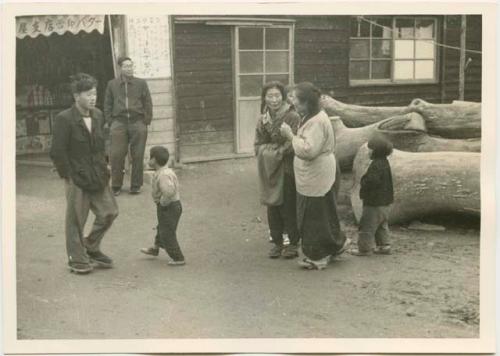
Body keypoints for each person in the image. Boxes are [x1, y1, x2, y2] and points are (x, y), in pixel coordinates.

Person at [50, 73, 119, 274]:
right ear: (76, 96)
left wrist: (105, 165)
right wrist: (68, 176)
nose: (92, 98)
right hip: (76, 177)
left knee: (109, 212)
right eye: (88, 94)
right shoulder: (64, 119)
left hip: (97, 173)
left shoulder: (98, 115)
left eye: (94, 93)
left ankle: (91, 246)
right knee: (75, 220)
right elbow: (57, 151)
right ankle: (76, 258)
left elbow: (100, 145)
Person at [280, 82, 348, 270]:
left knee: (314, 214)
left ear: (308, 103)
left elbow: (308, 150)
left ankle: (318, 255)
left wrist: (290, 136)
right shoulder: (312, 115)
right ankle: (335, 245)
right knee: (325, 211)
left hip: (317, 173)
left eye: (297, 101)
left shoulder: (317, 121)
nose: (293, 104)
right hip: (317, 172)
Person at [255, 81, 301, 259]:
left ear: (283, 96)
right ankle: (277, 242)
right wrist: (267, 152)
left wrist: (277, 151)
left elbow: (293, 141)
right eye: (269, 96)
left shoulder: (292, 116)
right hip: (269, 166)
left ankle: (293, 243)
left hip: (287, 165)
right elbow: (258, 142)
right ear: (264, 98)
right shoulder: (263, 118)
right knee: (272, 205)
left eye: (277, 95)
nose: (273, 100)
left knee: (288, 204)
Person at [104, 56, 153, 196]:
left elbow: (148, 102)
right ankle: (116, 185)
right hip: (118, 123)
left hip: (138, 122)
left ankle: (136, 185)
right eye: (126, 66)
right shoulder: (112, 84)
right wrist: (110, 121)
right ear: (120, 68)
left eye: (131, 65)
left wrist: (146, 120)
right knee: (116, 155)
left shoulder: (141, 83)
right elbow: (107, 104)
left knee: (137, 155)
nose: (129, 68)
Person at [349, 136, 394, 256]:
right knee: (381, 225)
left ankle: (364, 249)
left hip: (374, 202)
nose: (368, 151)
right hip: (385, 202)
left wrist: (363, 182)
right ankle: (384, 245)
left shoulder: (376, 165)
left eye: (370, 149)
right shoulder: (384, 162)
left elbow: (372, 181)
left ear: (376, 151)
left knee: (367, 227)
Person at [140, 146, 185, 266]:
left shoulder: (163, 175)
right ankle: (155, 248)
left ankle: (178, 257)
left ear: (154, 160)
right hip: (168, 206)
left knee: (167, 233)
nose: (148, 160)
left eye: (149, 158)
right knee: (161, 227)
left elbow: (169, 192)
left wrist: (163, 203)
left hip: (169, 207)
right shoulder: (162, 172)